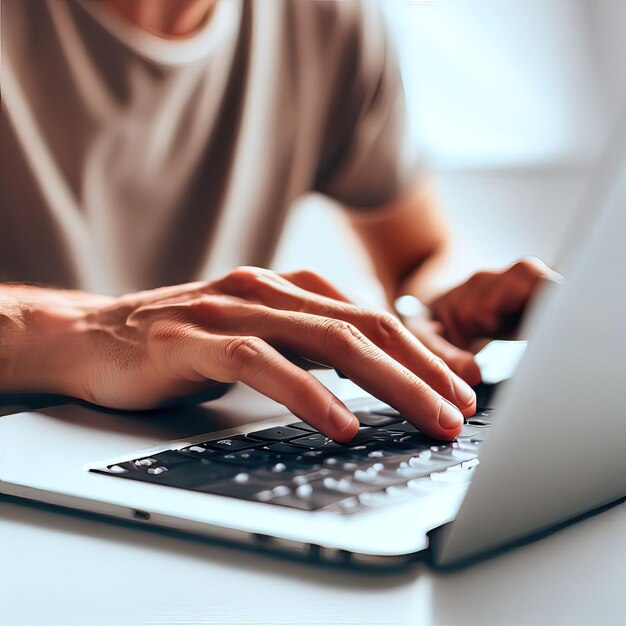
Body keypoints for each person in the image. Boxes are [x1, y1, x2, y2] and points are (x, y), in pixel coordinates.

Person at [0, 0, 556, 442]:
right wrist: (85, 332)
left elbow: (416, 257)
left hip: (184, 440)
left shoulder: (330, 19)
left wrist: (433, 311)